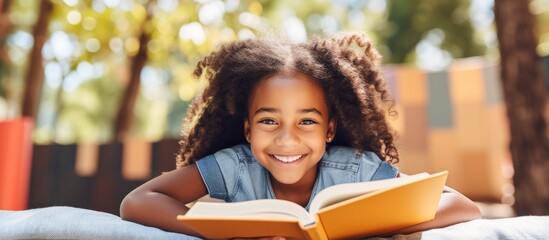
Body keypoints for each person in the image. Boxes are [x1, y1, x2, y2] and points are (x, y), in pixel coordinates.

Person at [120, 31, 482, 239]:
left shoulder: (356, 169)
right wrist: (222, 235)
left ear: (329, 130)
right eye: (268, 121)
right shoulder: (233, 166)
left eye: (306, 122)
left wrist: (363, 225)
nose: (287, 140)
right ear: (248, 129)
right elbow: (138, 201)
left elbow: (462, 205)